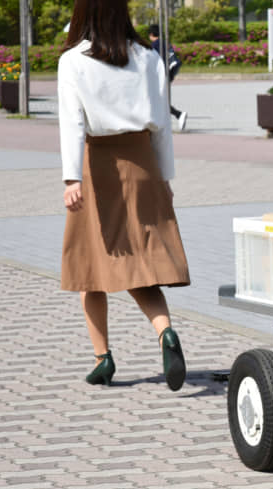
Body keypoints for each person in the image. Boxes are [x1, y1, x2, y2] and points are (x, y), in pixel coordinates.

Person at [59, 0, 191, 390]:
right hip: (143, 161)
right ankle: (165, 332)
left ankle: (103, 359)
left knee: (90, 267)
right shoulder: (147, 58)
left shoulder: (74, 60)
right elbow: (162, 123)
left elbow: (72, 122)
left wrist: (71, 179)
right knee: (140, 261)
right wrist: (166, 176)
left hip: (97, 163)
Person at [149, 24, 188, 131]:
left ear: (151, 34)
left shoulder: (155, 45)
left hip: (160, 75)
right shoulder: (165, 42)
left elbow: (152, 61)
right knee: (158, 100)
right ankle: (177, 115)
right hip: (168, 74)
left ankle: (178, 114)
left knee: (157, 100)